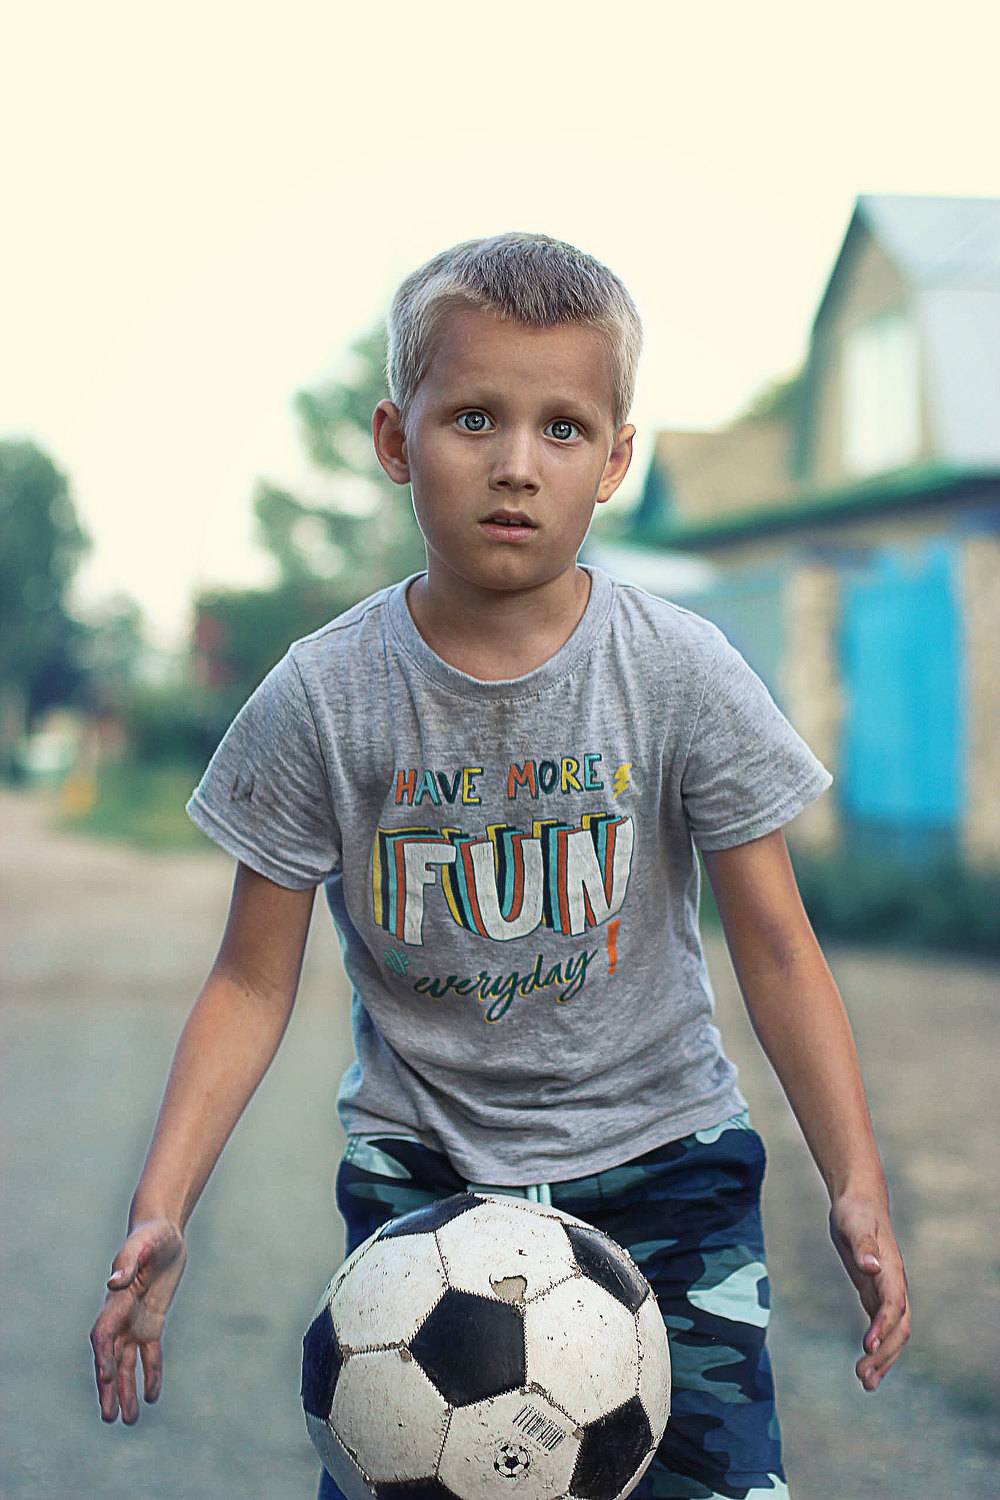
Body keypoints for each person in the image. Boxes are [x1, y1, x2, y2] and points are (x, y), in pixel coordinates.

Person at [90, 231, 911, 1499]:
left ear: (616, 460)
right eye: (473, 417)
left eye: (563, 428)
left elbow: (778, 948)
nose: (517, 464)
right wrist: (163, 1203)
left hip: (667, 1167)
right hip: (424, 1183)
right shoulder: (322, 698)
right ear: (395, 438)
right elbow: (250, 982)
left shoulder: (678, 671)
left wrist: (853, 1182)